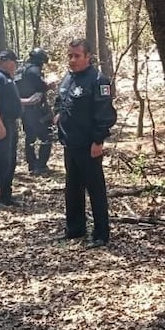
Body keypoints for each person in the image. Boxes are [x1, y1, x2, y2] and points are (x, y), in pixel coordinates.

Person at [55, 39, 116, 248]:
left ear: (88, 57)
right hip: (70, 143)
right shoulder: (68, 78)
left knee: (95, 188)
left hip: (89, 144)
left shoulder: (98, 80)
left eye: (77, 56)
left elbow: (104, 113)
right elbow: (61, 102)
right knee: (72, 188)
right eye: (70, 55)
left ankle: (101, 233)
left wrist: (98, 140)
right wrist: (57, 115)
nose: (72, 60)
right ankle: (75, 228)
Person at [0, 50, 27, 207]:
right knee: (1, 161)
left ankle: (6, 196)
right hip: (2, 124)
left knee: (10, 161)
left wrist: (26, 101)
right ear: (6, 61)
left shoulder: (7, 78)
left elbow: (9, 100)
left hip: (10, 124)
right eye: (14, 62)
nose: (15, 66)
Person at [15, 47, 54, 175]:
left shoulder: (19, 70)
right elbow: (42, 86)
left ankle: (32, 165)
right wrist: (50, 85)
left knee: (30, 136)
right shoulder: (34, 71)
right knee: (47, 135)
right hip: (37, 108)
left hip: (24, 109)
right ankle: (41, 165)